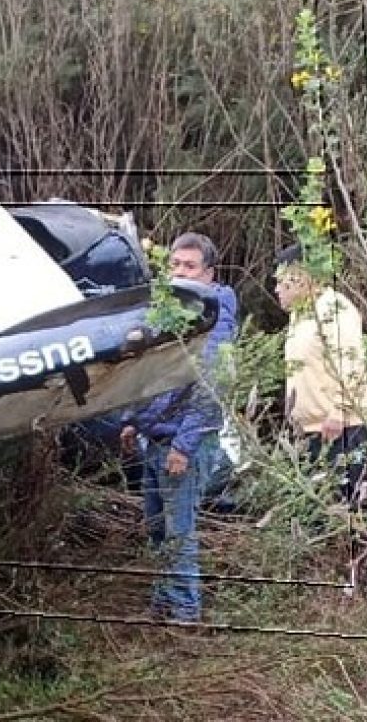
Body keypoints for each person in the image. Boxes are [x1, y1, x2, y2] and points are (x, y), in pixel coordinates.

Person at [119, 232, 239, 623]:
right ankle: (163, 605)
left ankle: (185, 616)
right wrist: (131, 421)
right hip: (154, 438)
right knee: (157, 531)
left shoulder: (214, 311)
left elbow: (212, 381)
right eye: (174, 265)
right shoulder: (169, 308)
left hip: (183, 443)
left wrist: (184, 446)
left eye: (189, 266)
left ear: (209, 273)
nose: (180, 272)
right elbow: (148, 370)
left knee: (179, 534)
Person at [274, 243, 367, 595]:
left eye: (282, 281)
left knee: (355, 502)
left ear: (303, 276)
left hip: (340, 428)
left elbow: (351, 364)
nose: (277, 289)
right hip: (309, 430)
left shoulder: (334, 309)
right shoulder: (301, 315)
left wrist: (338, 413)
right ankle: (340, 582)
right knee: (326, 508)